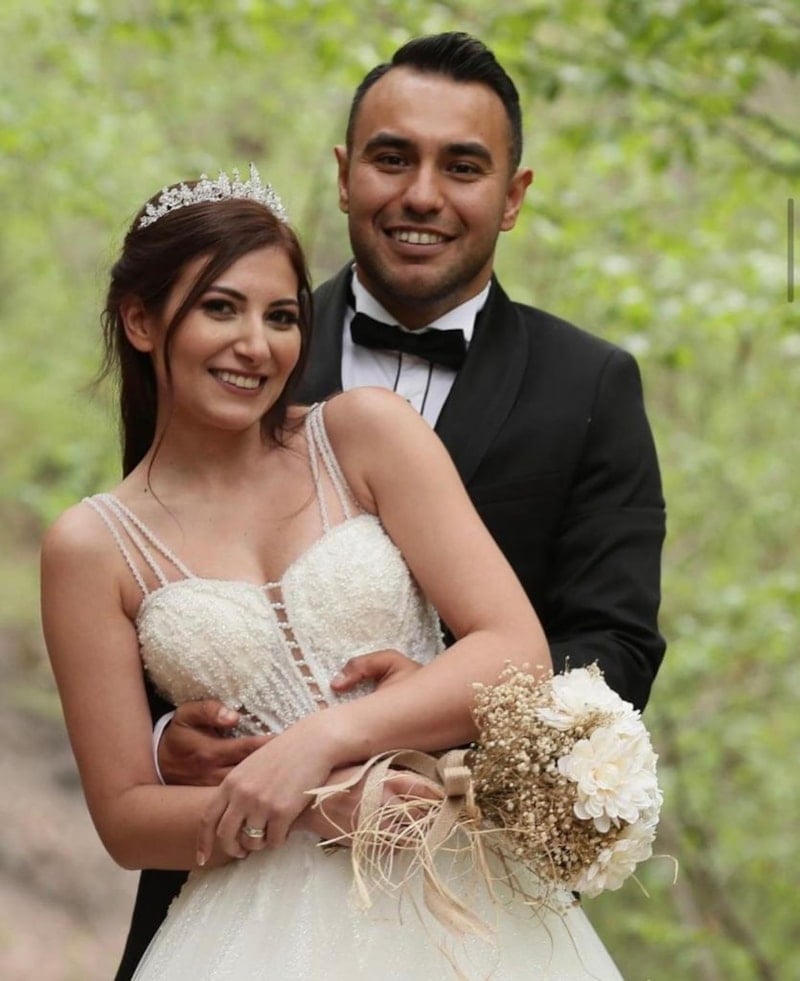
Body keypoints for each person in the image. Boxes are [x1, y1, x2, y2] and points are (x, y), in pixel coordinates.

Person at [116, 30, 666, 976]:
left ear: (514, 196)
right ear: (344, 175)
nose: (421, 195)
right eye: (392, 157)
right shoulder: (233, 348)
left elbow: (615, 643)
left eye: (463, 167)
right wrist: (168, 742)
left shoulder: (590, 384)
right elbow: (151, 569)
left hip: (473, 889)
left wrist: (441, 721)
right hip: (235, 899)